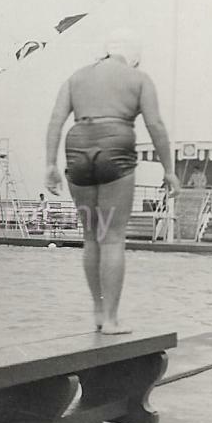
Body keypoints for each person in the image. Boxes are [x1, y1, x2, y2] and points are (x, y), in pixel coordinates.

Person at [45, 28, 180, 335]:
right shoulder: (140, 79)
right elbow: (155, 124)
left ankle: (96, 310)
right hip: (115, 143)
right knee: (113, 237)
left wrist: (50, 164)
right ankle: (112, 319)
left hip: (77, 143)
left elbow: (55, 119)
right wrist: (169, 169)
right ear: (132, 58)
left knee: (92, 235)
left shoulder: (76, 77)